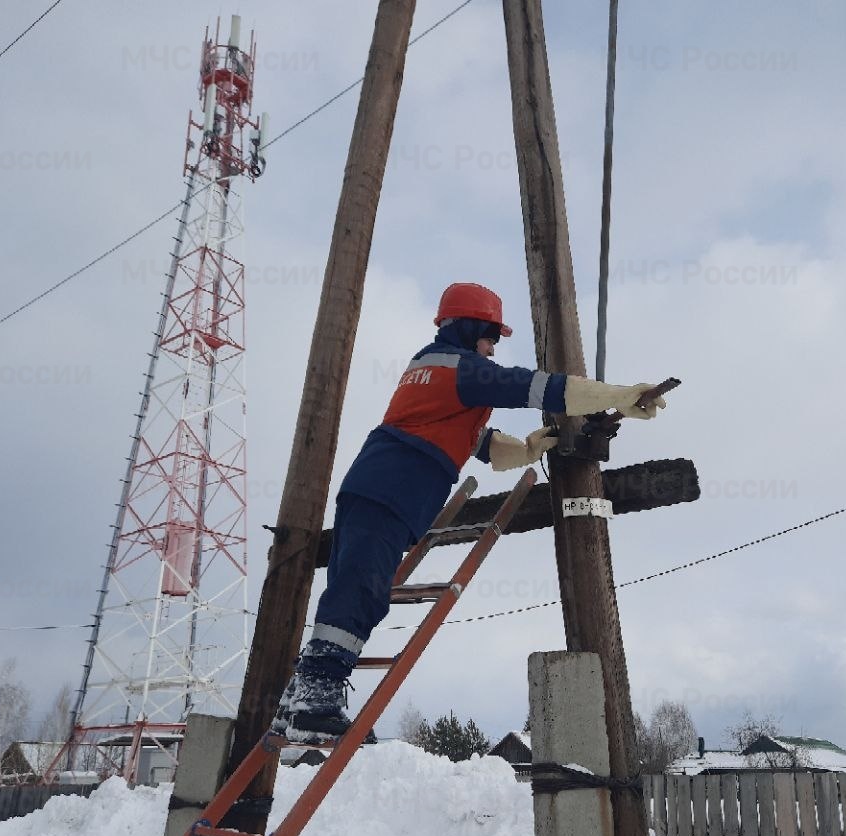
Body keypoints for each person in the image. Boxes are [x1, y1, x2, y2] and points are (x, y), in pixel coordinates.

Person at [272, 281, 668, 743]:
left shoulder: (438, 375)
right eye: (491, 335)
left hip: (381, 485)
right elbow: (539, 388)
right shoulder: (461, 369)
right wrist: (619, 395)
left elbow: (482, 446)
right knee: (361, 588)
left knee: (353, 583)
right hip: (393, 488)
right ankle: (317, 696)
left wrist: (530, 447)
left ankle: (297, 700)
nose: (494, 346)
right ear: (469, 327)